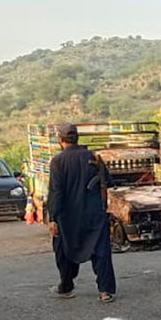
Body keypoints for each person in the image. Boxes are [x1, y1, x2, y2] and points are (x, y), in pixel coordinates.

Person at [47, 123, 116, 302]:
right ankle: (105, 291)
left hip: (68, 216)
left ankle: (66, 286)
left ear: (60, 140)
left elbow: (56, 191)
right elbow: (107, 181)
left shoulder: (58, 161)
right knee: (101, 251)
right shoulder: (92, 156)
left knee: (63, 249)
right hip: (94, 213)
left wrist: (53, 218)